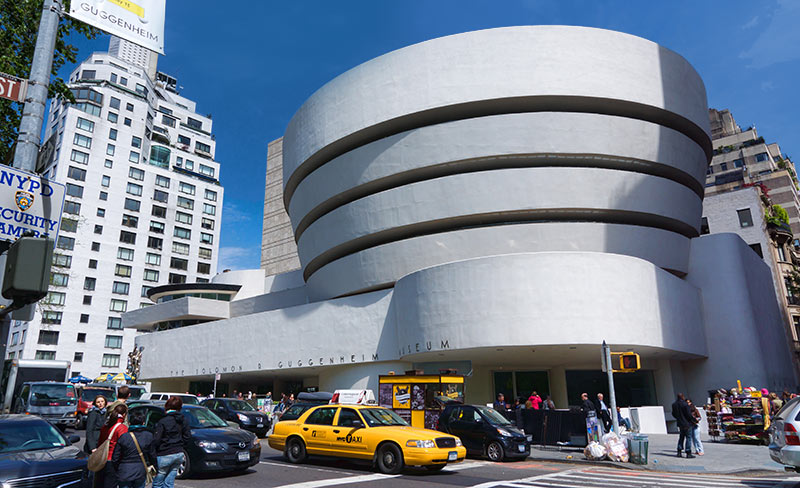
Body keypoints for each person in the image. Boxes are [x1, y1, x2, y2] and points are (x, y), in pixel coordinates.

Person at [153, 396, 191, 488]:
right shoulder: (183, 420)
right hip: (178, 452)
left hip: (164, 453)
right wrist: (181, 445)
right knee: (169, 483)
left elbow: (157, 440)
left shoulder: (163, 421)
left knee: (158, 483)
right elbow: (187, 436)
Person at [112, 408, 156, 488]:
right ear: (143, 423)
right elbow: (152, 455)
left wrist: (117, 469)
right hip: (140, 470)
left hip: (124, 470)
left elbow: (115, 458)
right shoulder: (148, 436)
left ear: (129, 423)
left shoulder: (124, 437)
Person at [96, 404, 129, 487]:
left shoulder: (106, 426)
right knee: (111, 484)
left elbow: (100, 442)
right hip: (113, 459)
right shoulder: (122, 427)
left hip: (102, 458)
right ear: (124, 414)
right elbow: (124, 444)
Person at [671, 393, 695, 458]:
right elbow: (688, 414)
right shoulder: (685, 404)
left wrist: (678, 418)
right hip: (687, 423)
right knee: (688, 438)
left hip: (680, 423)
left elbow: (673, 414)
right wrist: (693, 420)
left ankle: (679, 451)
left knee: (681, 437)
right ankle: (688, 452)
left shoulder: (674, 404)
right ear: (682, 397)